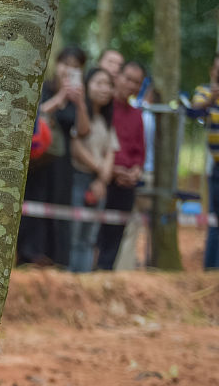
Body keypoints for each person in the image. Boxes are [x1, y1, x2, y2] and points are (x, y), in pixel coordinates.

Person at [19, 46, 88, 266]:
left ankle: (58, 259)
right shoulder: (44, 88)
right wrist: (60, 97)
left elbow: (84, 130)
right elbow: (35, 115)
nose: (69, 70)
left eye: (75, 67)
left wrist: (80, 103)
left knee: (60, 208)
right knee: (35, 205)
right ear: (56, 65)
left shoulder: (80, 96)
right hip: (39, 159)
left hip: (63, 161)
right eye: (65, 64)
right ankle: (31, 255)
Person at [96, 60, 146, 270]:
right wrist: (112, 170)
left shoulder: (136, 114)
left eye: (137, 82)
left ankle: (106, 274)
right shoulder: (104, 109)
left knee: (116, 234)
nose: (131, 86)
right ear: (118, 78)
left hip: (127, 185)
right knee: (96, 232)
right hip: (104, 178)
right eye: (128, 79)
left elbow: (140, 152)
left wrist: (135, 171)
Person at [68, 67, 117, 273]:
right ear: (86, 86)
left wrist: (102, 180)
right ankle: (70, 280)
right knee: (75, 235)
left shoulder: (107, 121)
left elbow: (111, 152)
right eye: (99, 83)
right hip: (79, 179)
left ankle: (84, 279)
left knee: (89, 237)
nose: (104, 89)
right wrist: (100, 171)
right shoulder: (79, 113)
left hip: (98, 184)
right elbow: (76, 147)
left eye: (108, 84)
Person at [191, 53, 219, 269]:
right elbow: (195, 110)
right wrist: (213, 97)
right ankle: (211, 270)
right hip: (215, 166)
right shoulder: (205, 91)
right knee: (214, 220)